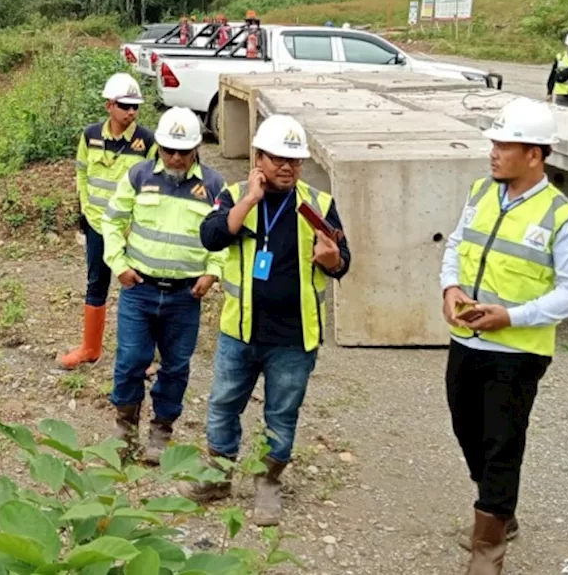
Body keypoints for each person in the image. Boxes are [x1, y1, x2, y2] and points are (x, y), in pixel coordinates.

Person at [440, 97, 568, 575]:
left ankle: (488, 548)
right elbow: (456, 246)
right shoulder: (482, 191)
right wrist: (450, 287)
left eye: (505, 145)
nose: (494, 152)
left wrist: (512, 317)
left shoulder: (563, 216)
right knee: (467, 430)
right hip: (465, 340)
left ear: (535, 155)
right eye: (493, 142)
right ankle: (499, 507)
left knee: (501, 443)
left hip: (518, 351)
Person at [182, 114, 350, 527]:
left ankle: (268, 485)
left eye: (295, 161)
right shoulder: (236, 195)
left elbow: (343, 262)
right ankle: (218, 478)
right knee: (222, 406)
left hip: (293, 338)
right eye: (278, 159)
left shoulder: (318, 205)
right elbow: (212, 236)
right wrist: (250, 201)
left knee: (281, 413)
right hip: (240, 332)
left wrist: (334, 261)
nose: (288, 168)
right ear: (258, 157)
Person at [102, 107, 226, 464]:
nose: (174, 157)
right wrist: (119, 264)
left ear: (197, 147)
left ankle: (161, 431)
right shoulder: (139, 175)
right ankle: (125, 431)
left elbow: (223, 239)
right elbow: (112, 221)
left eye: (183, 151)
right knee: (130, 360)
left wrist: (211, 273)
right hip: (138, 290)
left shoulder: (214, 186)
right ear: (158, 144)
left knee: (175, 365)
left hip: (185, 295)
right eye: (168, 149)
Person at [59, 73, 157, 369]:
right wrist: (87, 213)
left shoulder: (147, 142)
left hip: (132, 230)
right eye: (125, 106)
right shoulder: (90, 136)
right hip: (97, 225)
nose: (132, 112)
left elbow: (153, 187)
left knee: (142, 287)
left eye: (135, 107)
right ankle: (90, 349)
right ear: (109, 105)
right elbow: (81, 175)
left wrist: (135, 224)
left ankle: (145, 356)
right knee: (96, 283)